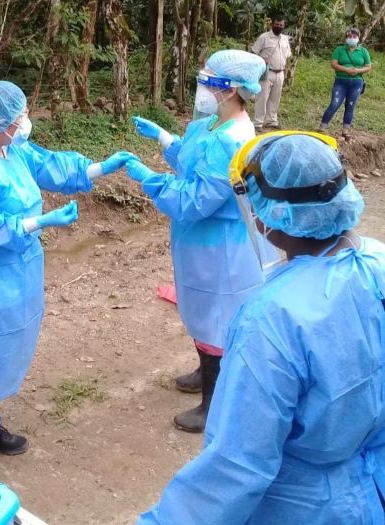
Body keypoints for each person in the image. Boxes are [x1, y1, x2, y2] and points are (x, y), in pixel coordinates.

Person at [137, 132, 385, 525]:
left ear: (271, 215)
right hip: (373, 489)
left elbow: (237, 465)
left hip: (305, 507)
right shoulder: (376, 262)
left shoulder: (271, 318)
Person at [0, 80, 137, 465]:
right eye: (19, 116)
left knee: (2, 351)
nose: (25, 120)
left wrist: (99, 167)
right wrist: (39, 222)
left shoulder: (8, 147)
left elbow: (48, 164)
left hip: (18, 269)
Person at [128, 50, 269, 433]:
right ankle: (206, 369)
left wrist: (149, 179)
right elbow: (192, 161)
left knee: (217, 318)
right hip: (197, 244)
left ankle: (214, 405)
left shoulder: (234, 139)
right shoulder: (210, 125)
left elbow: (195, 200)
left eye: (209, 80)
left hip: (218, 246)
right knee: (201, 312)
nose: (202, 86)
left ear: (231, 89)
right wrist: (163, 138)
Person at [319, 27, 372, 140]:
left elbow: (368, 67)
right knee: (335, 103)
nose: (352, 38)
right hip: (341, 81)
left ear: (358, 38)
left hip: (357, 82)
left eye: (354, 37)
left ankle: (346, 130)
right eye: (349, 36)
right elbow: (334, 64)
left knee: (350, 105)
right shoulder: (340, 50)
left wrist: (357, 71)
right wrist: (346, 70)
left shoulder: (363, 51)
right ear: (346, 38)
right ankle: (322, 127)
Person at [251, 15, 291, 131]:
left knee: (275, 98)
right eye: (277, 24)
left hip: (280, 73)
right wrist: (262, 60)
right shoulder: (264, 37)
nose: (279, 27)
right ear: (272, 24)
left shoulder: (284, 39)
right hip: (267, 71)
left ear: (284, 26)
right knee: (262, 97)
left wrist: (286, 71)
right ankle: (258, 122)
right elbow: (253, 53)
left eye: (281, 25)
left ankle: (271, 120)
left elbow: (287, 55)